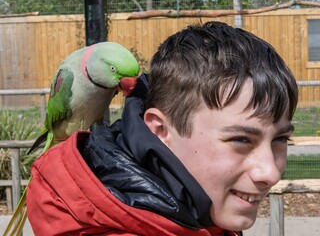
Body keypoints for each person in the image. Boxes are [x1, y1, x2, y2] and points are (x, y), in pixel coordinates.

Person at [26, 21, 298, 236]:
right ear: (159, 130)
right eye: (241, 139)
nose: (271, 173)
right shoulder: (68, 78)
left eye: (281, 139)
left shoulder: (199, 207)